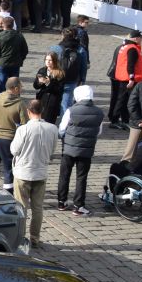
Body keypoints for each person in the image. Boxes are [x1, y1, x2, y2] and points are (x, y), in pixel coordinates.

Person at [10, 99, 59, 248]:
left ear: (29, 112)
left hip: (23, 172)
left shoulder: (23, 130)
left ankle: (20, 237)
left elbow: (14, 150)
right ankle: (35, 238)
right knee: (38, 208)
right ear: (41, 111)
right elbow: (52, 150)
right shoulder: (52, 128)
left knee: (21, 207)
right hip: (41, 172)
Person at [56, 84, 104, 216]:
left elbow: (61, 129)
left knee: (64, 175)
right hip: (86, 150)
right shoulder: (99, 112)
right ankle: (78, 205)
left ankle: (62, 201)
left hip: (68, 149)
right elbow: (99, 132)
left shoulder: (71, 111)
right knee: (81, 177)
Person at [107, 30, 142, 129]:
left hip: (122, 78)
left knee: (123, 100)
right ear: (136, 38)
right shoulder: (132, 49)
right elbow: (130, 65)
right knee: (124, 100)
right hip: (128, 79)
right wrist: (131, 79)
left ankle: (123, 120)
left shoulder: (124, 47)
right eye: (141, 38)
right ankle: (116, 120)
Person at [33, 51, 66, 124]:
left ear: (54, 61)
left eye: (50, 60)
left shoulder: (60, 73)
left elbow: (59, 90)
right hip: (42, 100)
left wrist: (49, 83)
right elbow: (35, 86)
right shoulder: (42, 70)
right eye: (46, 60)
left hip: (53, 102)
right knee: (39, 121)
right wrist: (40, 82)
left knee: (49, 123)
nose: (48, 62)